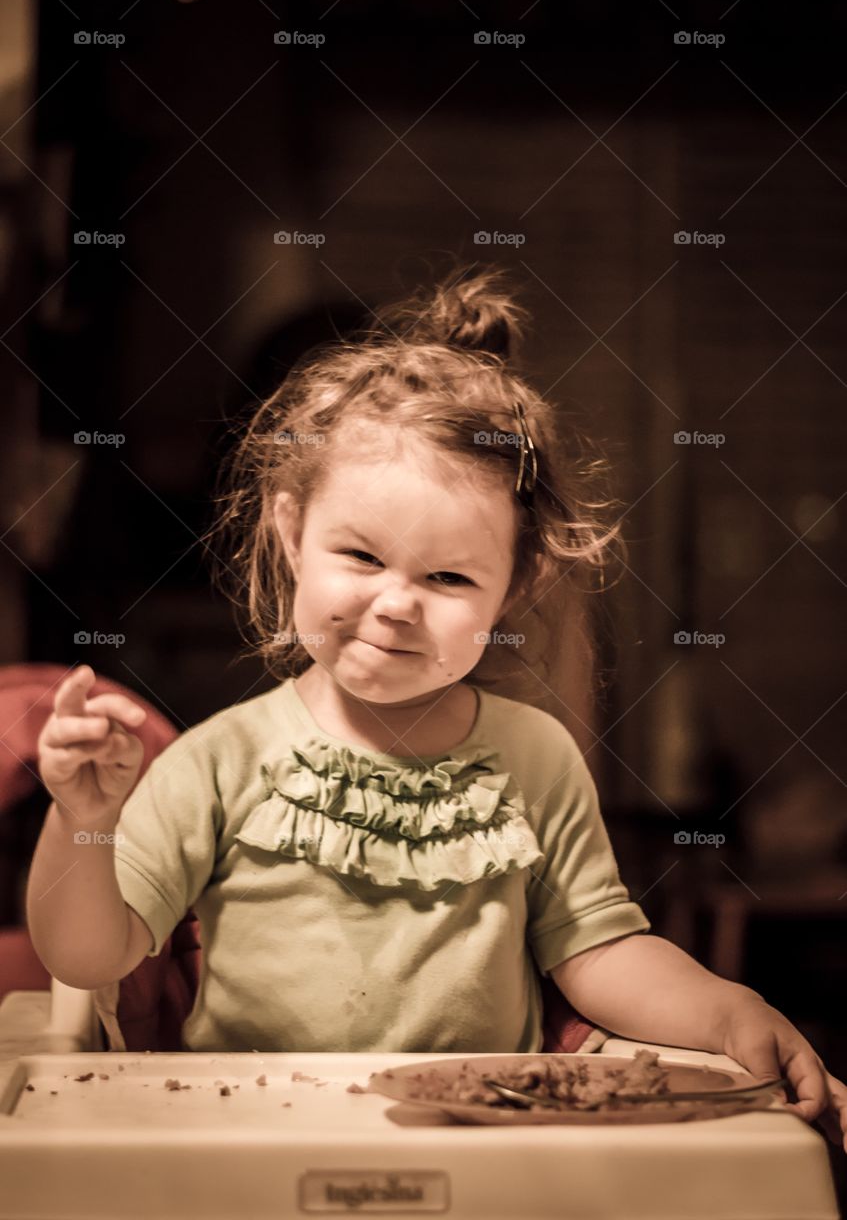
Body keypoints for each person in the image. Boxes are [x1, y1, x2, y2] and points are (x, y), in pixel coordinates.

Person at [27, 265, 846, 1150]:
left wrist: (729, 1012)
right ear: (289, 529)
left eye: (449, 576)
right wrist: (84, 822)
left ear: (515, 584)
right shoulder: (218, 763)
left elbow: (597, 953)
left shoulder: (533, 757)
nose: (396, 603)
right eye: (361, 556)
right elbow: (87, 956)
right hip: (251, 1148)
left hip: (481, 1152)